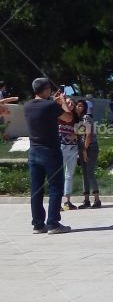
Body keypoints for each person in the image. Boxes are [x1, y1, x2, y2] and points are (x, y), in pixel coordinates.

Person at [24, 78, 69, 233]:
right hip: (50, 151)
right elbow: (68, 118)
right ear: (46, 89)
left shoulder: (27, 106)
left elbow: (43, 113)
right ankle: (53, 223)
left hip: (34, 151)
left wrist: (53, 103)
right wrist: (62, 102)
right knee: (56, 187)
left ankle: (38, 224)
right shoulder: (51, 105)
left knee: (36, 189)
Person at [73, 99, 102, 209]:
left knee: (89, 172)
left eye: (80, 106)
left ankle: (97, 199)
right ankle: (86, 200)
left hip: (90, 148)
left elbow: (88, 134)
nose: (78, 107)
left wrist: (84, 149)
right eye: (77, 105)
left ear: (84, 108)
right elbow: (80, 135)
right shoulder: (78, 119)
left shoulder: (86, 117)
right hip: (82, 148)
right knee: (84, 173)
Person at [58, 96, 81, 211]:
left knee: (69, 175)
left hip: (72, 148)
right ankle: (57, 202)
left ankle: (67, 201)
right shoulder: (59, 116)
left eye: (72, 103)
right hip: (61, 147)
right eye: (68, 103)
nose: (70, 105)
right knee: (59, 174)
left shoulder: (77, 118)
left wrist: (76, 135)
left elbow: (82, 132)